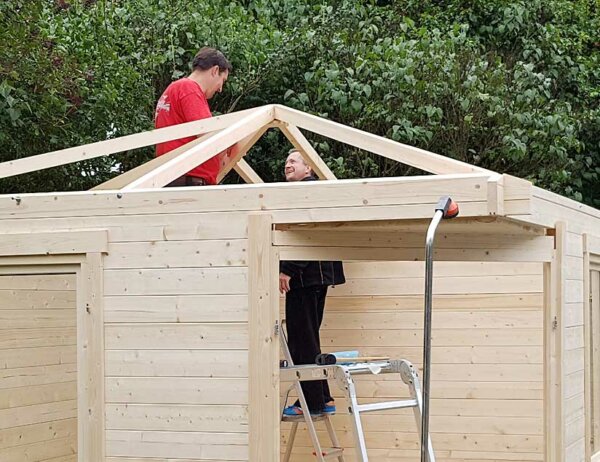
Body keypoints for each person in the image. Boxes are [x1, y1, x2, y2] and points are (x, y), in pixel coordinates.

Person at [280, 149, 346, 417]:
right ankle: (324, 398)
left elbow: (305, 235)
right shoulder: (314, 192)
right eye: (286, 161)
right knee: (308, 339)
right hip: (316, 276)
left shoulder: (306, 194)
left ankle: (313, 403)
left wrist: (288, 270)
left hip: (306, 277)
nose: (287, 164)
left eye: (293, 161)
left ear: (309, 169)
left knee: (301, 341)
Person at [155, 47, 234, 187]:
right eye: (223, 80)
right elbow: (209, 138)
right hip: (187, 182)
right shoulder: (189, 89)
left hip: (173, 178)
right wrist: (233, 142)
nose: (220, 88)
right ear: (215, 71)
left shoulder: (174, 89)